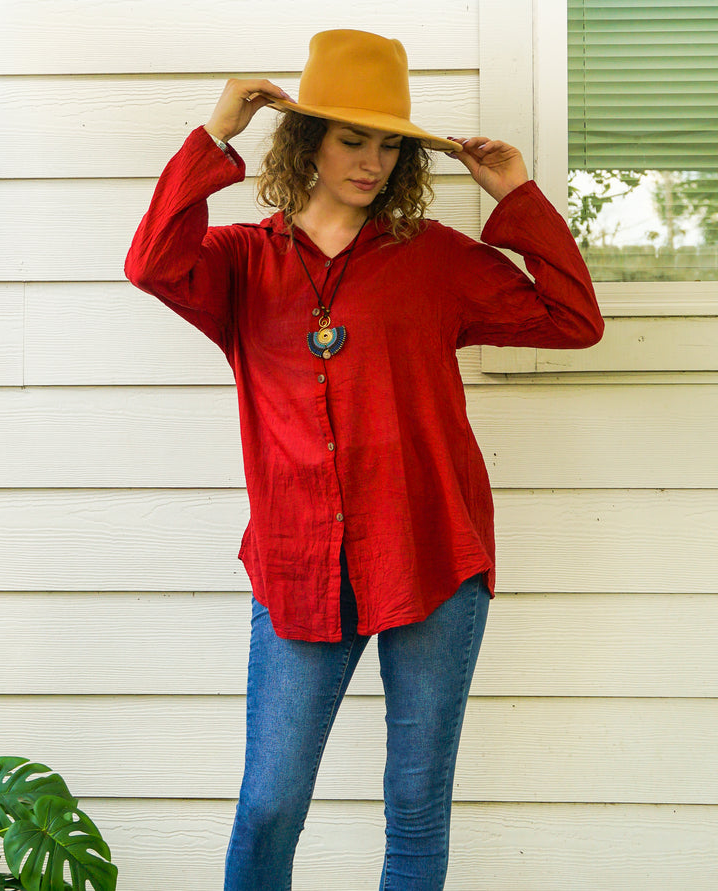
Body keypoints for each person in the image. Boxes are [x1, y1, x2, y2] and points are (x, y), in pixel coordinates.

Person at [125, 28, 603, 891]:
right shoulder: (240, 263)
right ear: (307, 141)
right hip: (300, 564)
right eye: (353, 137)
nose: (373, 160)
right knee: (270, 803)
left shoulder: (438, 263)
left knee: (415, 807)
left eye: (390, 144)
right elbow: (151, 262)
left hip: (430, 552)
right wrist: (214, 136)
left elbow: (572, 319)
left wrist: (518, 193)